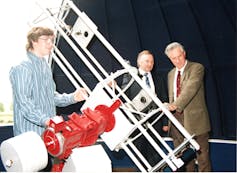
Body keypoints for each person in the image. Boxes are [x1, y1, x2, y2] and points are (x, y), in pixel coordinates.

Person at [9, 26, 88, 137]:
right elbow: (24, 103)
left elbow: (51, 96)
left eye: (52, 40)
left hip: (48, 133)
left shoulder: (45, 66)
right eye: (46, 39)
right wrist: (46, 120)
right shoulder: (22, 67)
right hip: (29, 136)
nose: (50, 43)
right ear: (33, 41)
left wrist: (73, 97)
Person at [164, 42, 212, 171]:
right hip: (176, 122)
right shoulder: (170, 74)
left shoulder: (197, 68)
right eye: (173, 58)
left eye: (179, 56)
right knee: (184, 160)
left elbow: (190, 89)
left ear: (184, 53)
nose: (177, 60)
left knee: (203, 159)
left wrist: (175, 105)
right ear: (170, 59)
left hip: (196, 121)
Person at [121, 50, 169, 167]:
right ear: (139, 62)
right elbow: (124, 98)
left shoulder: (159, 79)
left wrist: (165, 122)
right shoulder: (130, 77)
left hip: (156, 122)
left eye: (152, 62)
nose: (150, 64)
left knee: (155, 154)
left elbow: (164, 99)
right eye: (147, 61)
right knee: (140, 156)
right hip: (137, 123)